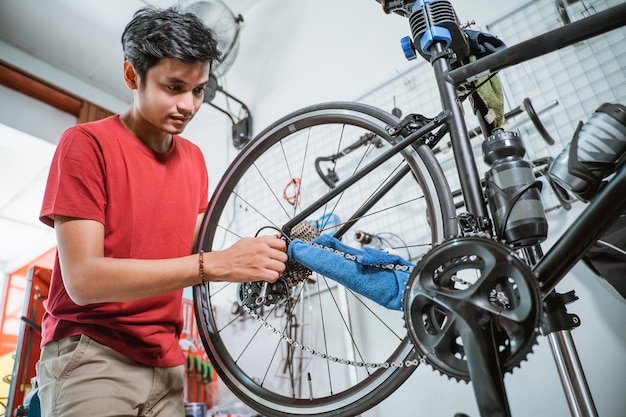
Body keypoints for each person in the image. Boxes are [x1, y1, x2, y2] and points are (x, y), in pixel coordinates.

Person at [35, 6, 287, 416]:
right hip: (94, 357)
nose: (189, 105)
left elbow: (187, 256)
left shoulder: (195, 160)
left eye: (200, 89)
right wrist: (217, 264)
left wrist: (264, 256)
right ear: (133, 75)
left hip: (167, 365)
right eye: (174, 87)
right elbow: (83, 280)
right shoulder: (85, 144)